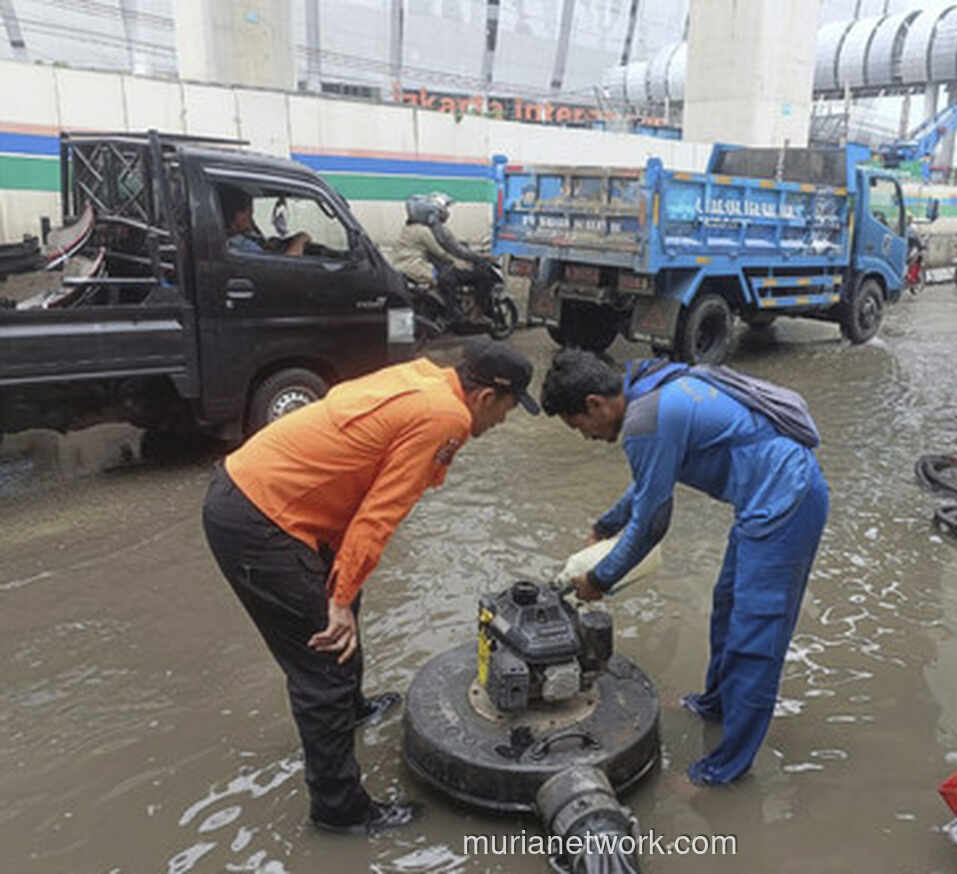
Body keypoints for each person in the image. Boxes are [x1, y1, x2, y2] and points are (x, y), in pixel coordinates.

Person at [202, 338, 539, 834]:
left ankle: (353, 710)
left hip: (262, 493)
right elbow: (379, 515)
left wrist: (343, 592)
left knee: (346, 600)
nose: (503, 422)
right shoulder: (447, 418)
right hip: (262, 520)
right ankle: (339, 810)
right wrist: (334, 602)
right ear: (486, 397)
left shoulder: (423, 377)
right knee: (323, 663)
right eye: (508, 409)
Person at [539, 350, 829, 786]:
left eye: (578, 425)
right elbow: (648, 482)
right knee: (727, 608)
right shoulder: (652, 389)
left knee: (756, 639)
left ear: (595, 404)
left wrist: (599, 579)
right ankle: (714, 704)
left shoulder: (644, 420)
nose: (586, 436)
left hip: (786, 502)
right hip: (762, 502)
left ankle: (724, 771)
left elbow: (653, 523)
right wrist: (607, 524)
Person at [394, 192, 495, 322]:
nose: (446, 212)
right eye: (444, 208)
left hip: (411, 266)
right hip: (430, 268)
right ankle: (469, 314)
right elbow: (449, 251)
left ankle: (456, 311)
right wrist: (476, 258)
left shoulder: (409, 228)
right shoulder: (431, 230)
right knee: (483, 275)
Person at [220, 186, 310, 256]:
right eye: (249, 213)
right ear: (238, 215)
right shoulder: (239, 245)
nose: (251, 217)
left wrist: (266, 245)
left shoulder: (237, 238)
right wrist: (300, 240)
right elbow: (284, 266)